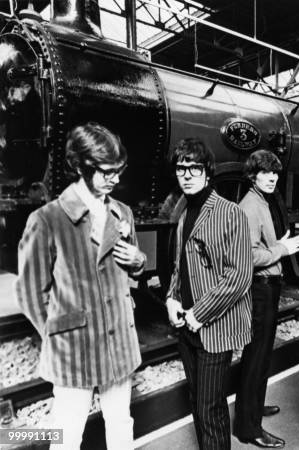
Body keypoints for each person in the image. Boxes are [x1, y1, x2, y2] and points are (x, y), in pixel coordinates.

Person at [15, 122, 146, 450]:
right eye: (107, 172)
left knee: (120, 422)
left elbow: (130, 276)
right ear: (80, 167)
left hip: (119, 342)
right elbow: (30, 292)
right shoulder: (47, 220)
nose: (116, 179)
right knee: (67, 432)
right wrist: (59, 332)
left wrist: (138, 262)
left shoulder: (122, 212)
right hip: (74, 350)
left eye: (120, 170)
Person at [165, 138, 252, 450]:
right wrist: (172, 298)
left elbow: (239, 276)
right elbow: (179, 265)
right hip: (186, 327)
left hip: (213, 327)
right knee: (198, 403)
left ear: (207, 172)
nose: (187, 175)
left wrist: (198, 314)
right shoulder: (184, 216)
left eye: (194, 168)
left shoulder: (230, 213)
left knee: (209, 408)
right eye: (181, 168)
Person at [234, 150, 299, 448]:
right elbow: (249, 255)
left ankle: (253, 407)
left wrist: (280, 246)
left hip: (268, 286)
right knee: (256, 355)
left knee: (262, 353)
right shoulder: (250, 207)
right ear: (253, 175)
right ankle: (248, 427)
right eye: (266, 172)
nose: (272, 178)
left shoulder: (260, 201)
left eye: (275, 173)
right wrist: (282, 248)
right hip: (260, 288)